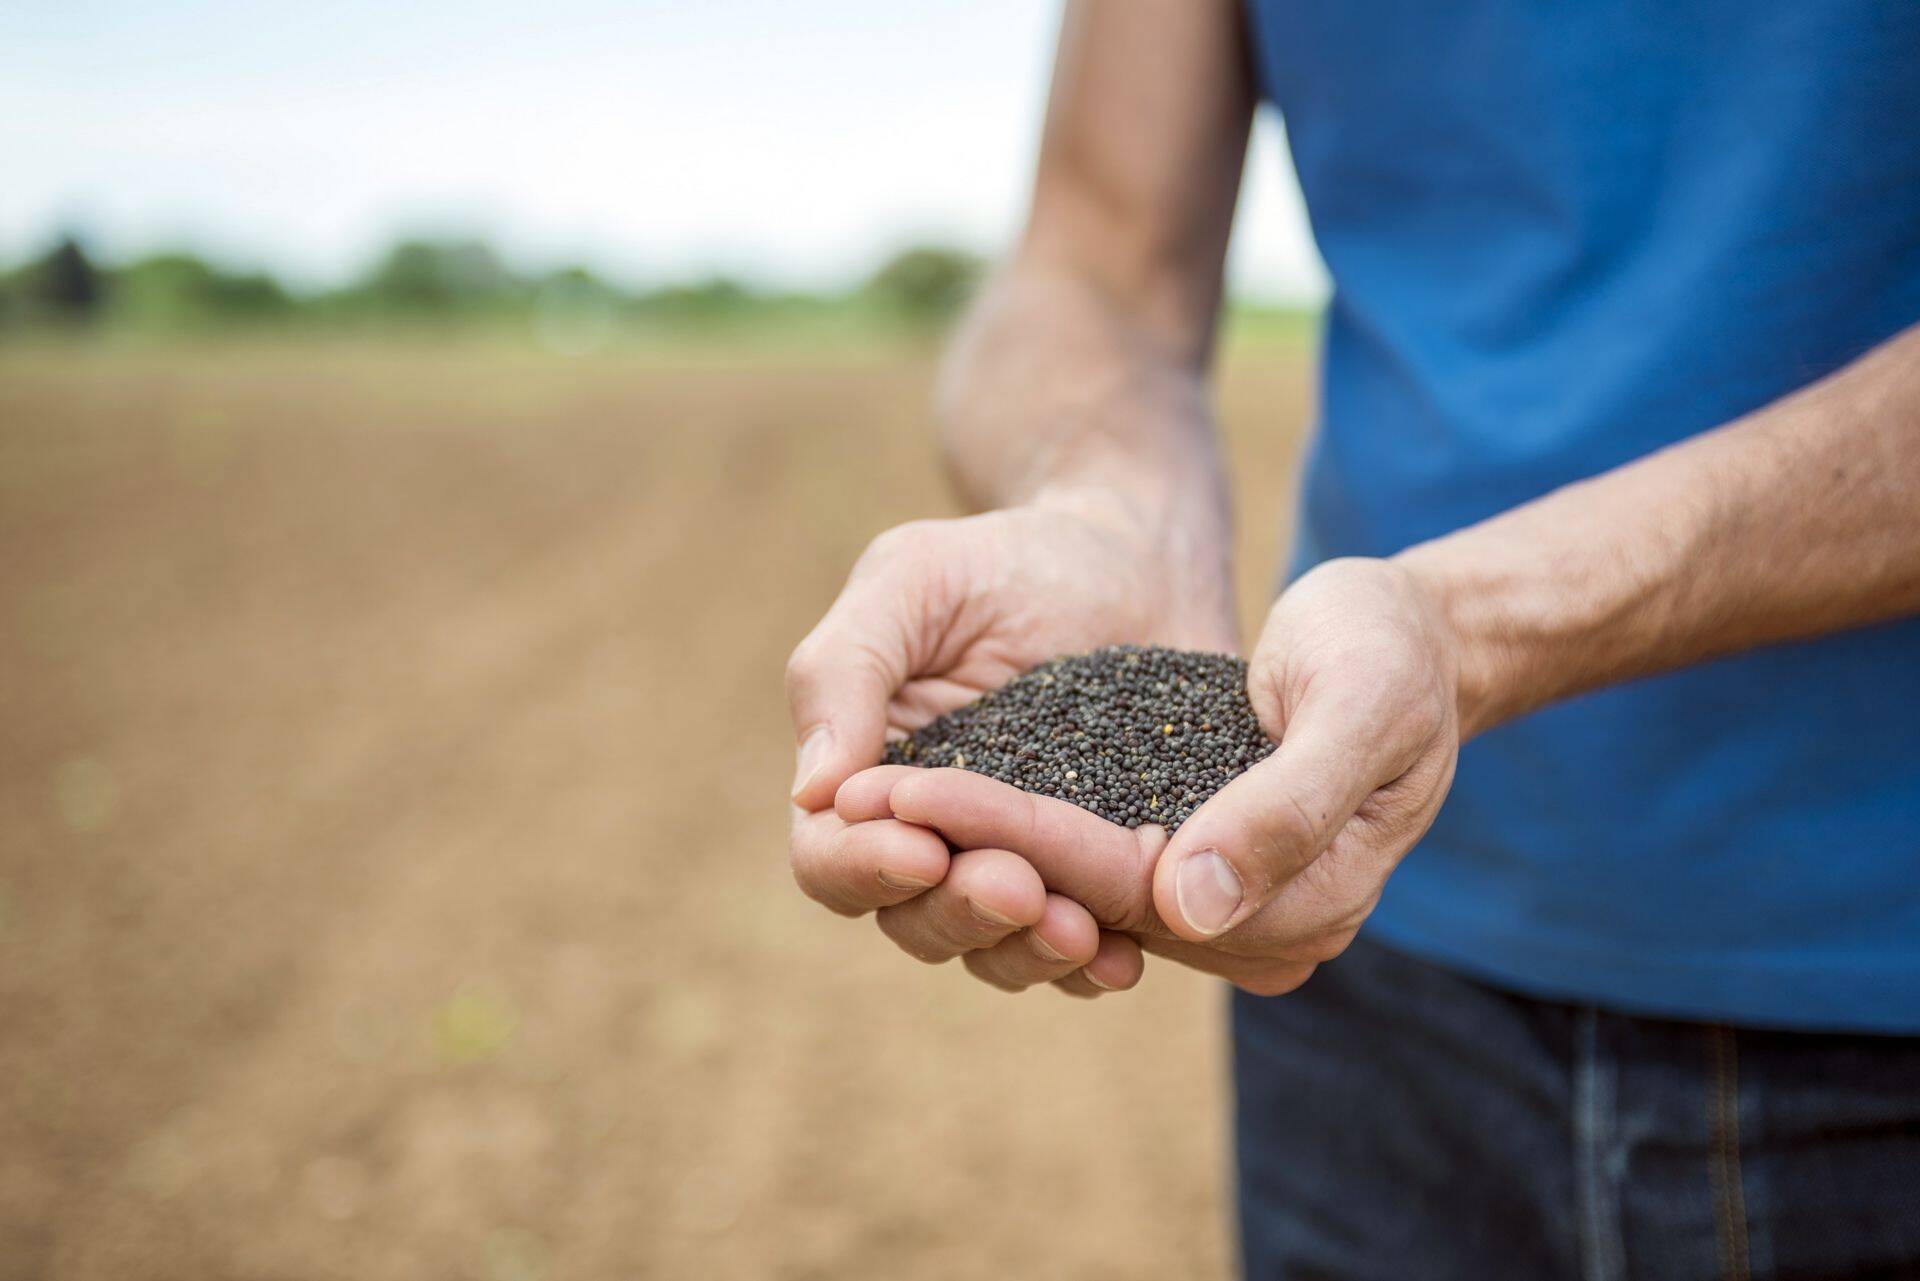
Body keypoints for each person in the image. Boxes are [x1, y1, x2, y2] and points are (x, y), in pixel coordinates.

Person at [786, 1, 1920, 1274]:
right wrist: (1109, 505)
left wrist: (1464, 625)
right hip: (1370, 972)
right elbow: (1096, 255)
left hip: (1872, 989)